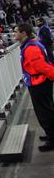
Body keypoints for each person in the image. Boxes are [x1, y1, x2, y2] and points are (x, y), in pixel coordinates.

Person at [14, 23, 54, 151]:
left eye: (16, 31)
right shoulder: (30, 44)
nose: (14, 34)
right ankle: (50, 135)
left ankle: (52, 140)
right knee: (46, 110)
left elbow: (41, 66)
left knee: (45, 113)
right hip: (39, 83)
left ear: (24, 33)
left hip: (40, 84)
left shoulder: (31, 48)